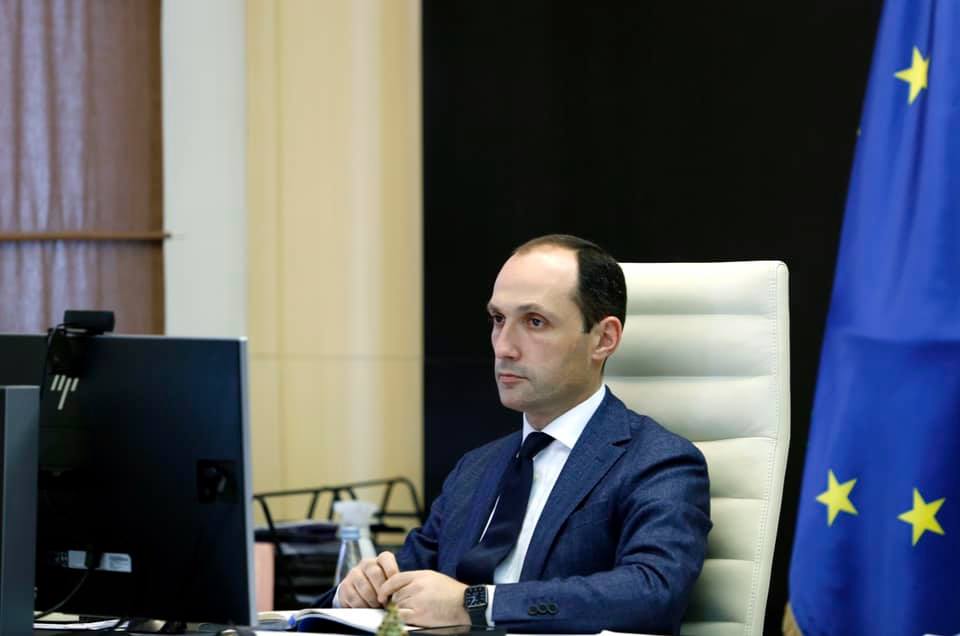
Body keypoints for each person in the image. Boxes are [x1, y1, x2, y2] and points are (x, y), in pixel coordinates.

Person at [316, 234, 711, 635]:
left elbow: (652, 592)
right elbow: (410, 571)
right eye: (498, 319)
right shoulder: (475, 467)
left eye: (535, 322)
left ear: (603, 339)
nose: (504, 347)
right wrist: (358, 590)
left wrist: (475, 604)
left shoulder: (659, 461)